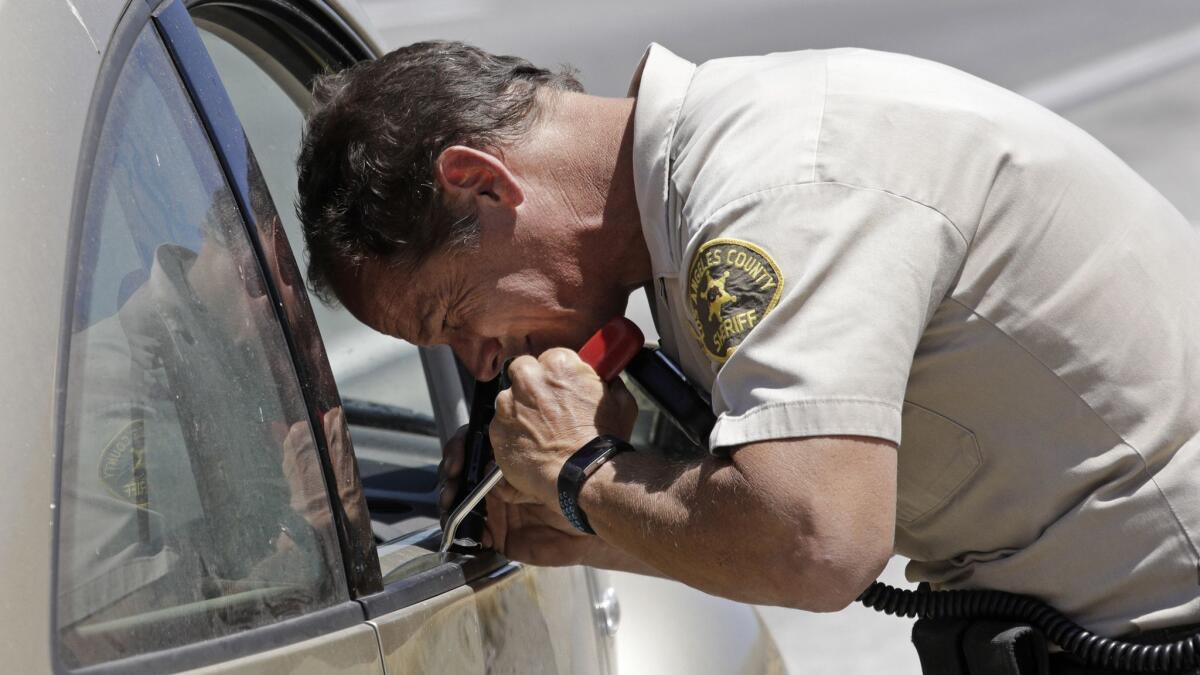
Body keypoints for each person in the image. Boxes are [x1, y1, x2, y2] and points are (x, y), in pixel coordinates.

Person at [295, 40, 1200, 669]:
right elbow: (800, 517)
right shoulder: (699, 193)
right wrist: (579, 522)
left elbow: (815, 541)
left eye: (457, 315)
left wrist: (585, 472)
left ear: (483, 182)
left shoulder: (769, 190)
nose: (484, 362)